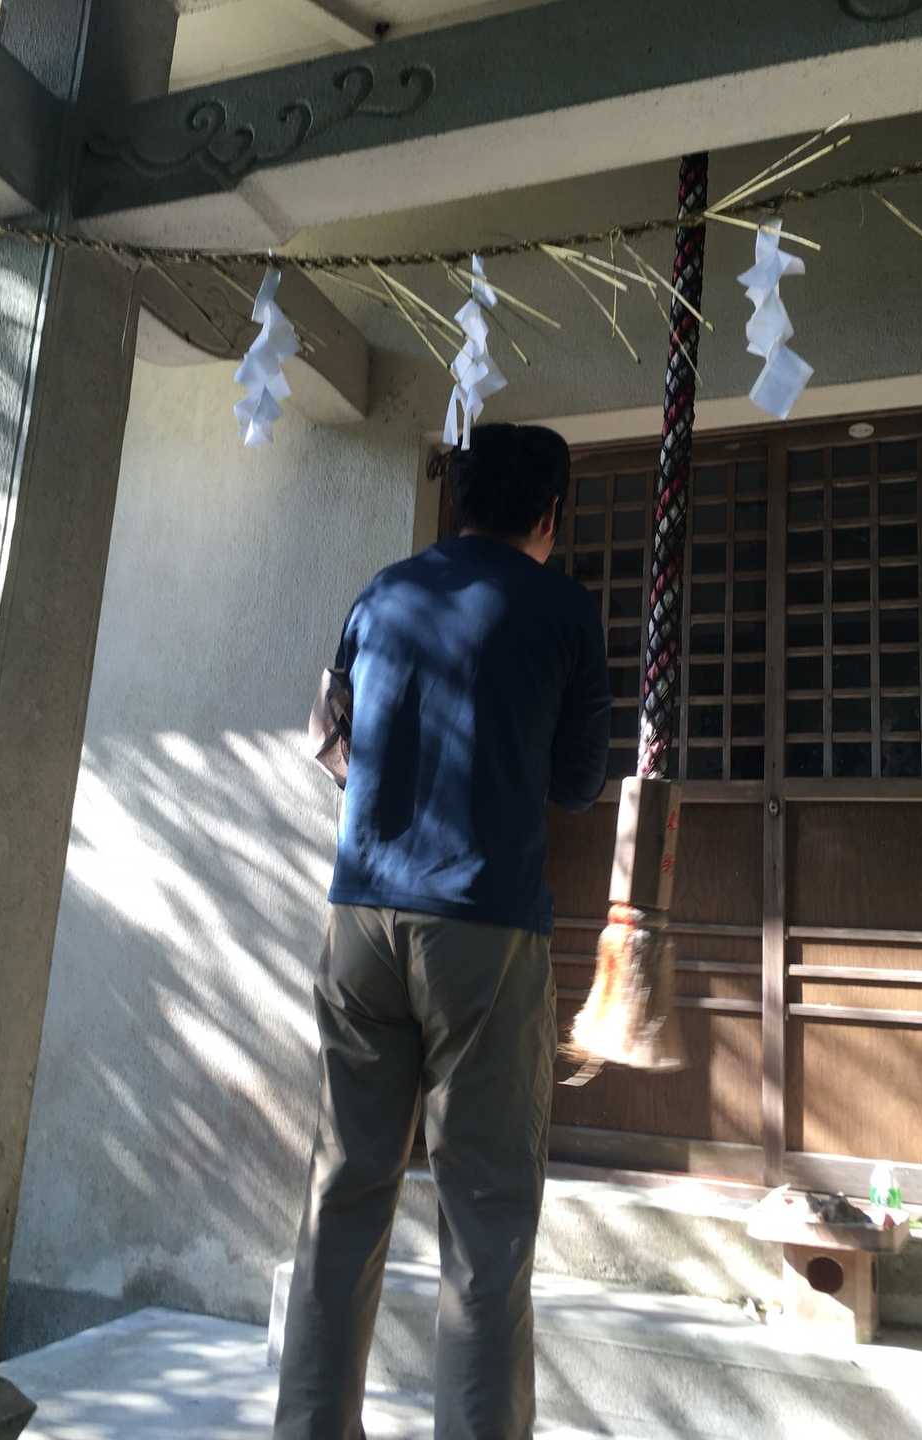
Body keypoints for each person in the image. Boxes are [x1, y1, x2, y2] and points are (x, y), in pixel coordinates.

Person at [273, 423, 611, 1440]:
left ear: (460, 500)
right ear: (549, 512)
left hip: (359, 918)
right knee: (487, 1220)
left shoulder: (380, 594)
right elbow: (578, 784)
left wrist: (390, 789)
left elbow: (325, 737)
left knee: (344, 1191)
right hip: (482, 929)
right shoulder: (563, 608)